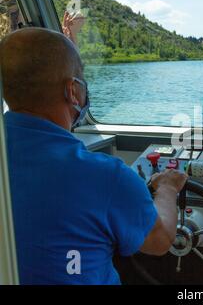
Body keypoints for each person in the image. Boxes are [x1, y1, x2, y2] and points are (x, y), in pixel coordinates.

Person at [0, 27, 187, 285]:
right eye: (82, 80)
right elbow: (161, 240)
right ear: (72, 91)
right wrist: (167, 188)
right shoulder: (106, 176)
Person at [0, 0, 85, 43]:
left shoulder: (11, 48)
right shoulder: (22, 48)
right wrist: (71, 36)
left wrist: (68, 36)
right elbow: (68, 68)